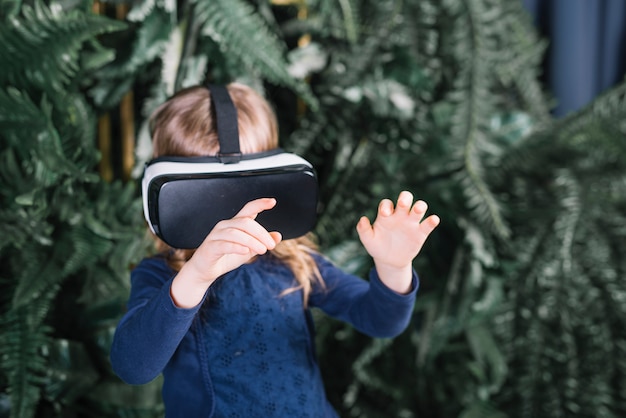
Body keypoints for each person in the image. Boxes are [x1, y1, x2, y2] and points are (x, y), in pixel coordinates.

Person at [110, 82, 440, 418]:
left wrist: (394, 267)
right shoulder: (161, 275)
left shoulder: (296, 263)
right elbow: (133, 367)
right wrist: (194, 277)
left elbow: (381, 321)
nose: (230, 212)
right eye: (205, 195)